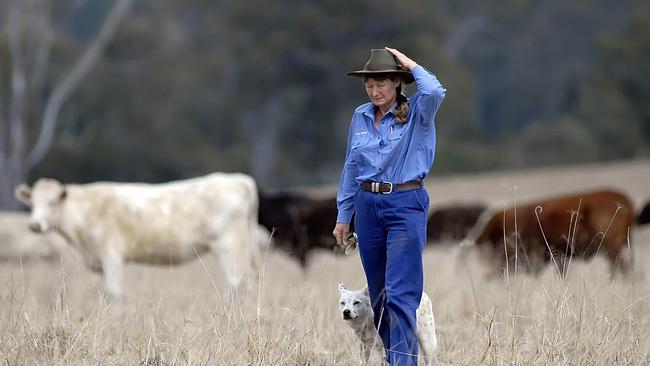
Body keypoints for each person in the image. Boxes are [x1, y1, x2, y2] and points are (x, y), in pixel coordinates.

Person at [332, 47, 445, 365]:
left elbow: (435, 89)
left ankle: (400, 363)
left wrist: (409, 64)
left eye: (381, 83)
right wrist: (344, 215)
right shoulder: (361, 116)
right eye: (369, 85)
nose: (374, 91)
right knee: (379, 297)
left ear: (398, 82)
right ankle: (396, 359)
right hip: (367, 207)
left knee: (400, 294)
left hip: (405, 204)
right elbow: (351, 167)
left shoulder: (419, 113)